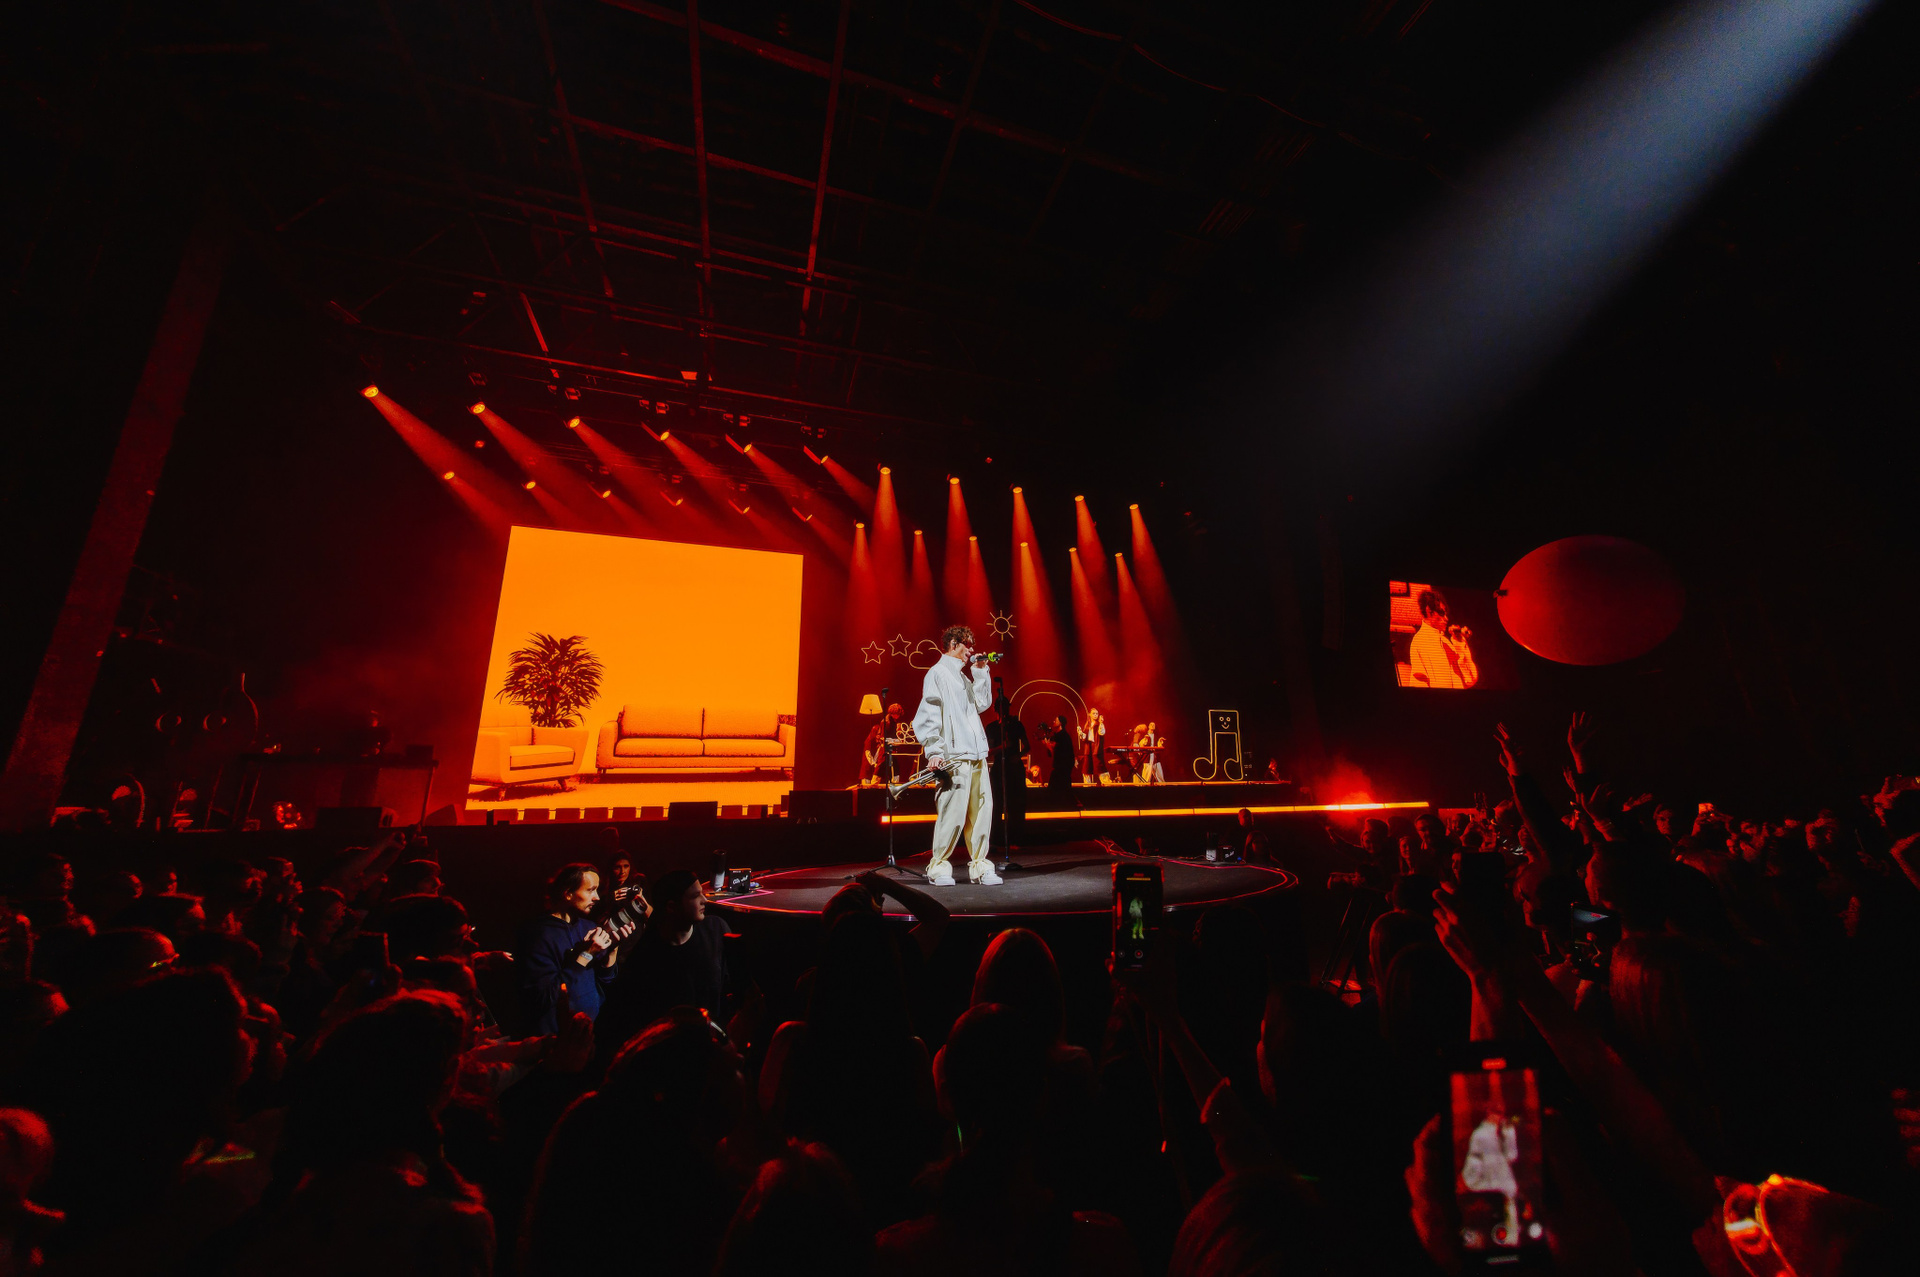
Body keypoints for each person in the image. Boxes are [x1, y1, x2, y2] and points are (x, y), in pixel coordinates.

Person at [594, 869, 733, 1060]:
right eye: (695, 896)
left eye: (702, 893)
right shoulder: (646, 956)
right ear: (671, 907)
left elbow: (733, 987)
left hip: (715, 1049)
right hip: (675, 1058)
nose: (705, 900)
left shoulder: (716, 930)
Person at [911, 624, 999, 886]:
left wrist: (980, 672)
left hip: (976, 753)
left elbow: (981, 704)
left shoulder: (963, 677)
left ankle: (980, 865)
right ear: (953, 644)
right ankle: (938, 866)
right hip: (954, 755)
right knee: (953, 812)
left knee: (982, 810)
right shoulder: (937, 673)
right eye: (967, 645)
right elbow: (929, 712)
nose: (971, 650)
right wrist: (934, 750)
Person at [515, 863, 635, 1037]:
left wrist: (612, 950)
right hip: (558, 1040)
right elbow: (542, 998)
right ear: (568, 894)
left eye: (597, 890)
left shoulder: (588, 927)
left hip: (591, 1034)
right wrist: (586, 954)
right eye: (590, 890)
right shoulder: (538, 936)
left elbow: (606, 982)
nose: (597, 897)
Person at [985, 679, 1029, 851]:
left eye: (1006, 708)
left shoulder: (1016, 725)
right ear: (996, 709)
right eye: (1002, 708)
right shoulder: (991, 728)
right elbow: (988, 751)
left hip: (1014, 768)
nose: (1005, 711)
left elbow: (1027, 746)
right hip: (999, 768)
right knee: (996, 804)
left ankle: (1016, 837)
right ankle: (995, 839)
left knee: (1015, 804)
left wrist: (1018, 755)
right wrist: (1002, 747)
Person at [1408, 588, 1479, 689]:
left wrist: (1459, 643)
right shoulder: (1419, 642)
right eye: (1441, 613)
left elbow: (1469, 680)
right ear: (1429, 611)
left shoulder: (1445, 642)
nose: (1446, 618)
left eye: (1446, 614)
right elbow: (1419, 685)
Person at [861, 702, 908, 785]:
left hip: (891, 748)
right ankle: (874, 784)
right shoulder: (886, 722)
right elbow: (884, 737)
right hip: (885, 748)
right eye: (897, 714)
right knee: (880, 767)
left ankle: (894, 783)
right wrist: (895, 741)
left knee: (894, 766)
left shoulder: (893, 721)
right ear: (893, 713)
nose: (898, 716)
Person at [1049, 716, 1077, 790]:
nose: (1054, 722)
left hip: (1062, 767)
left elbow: (1055, 749)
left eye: (1056, 720)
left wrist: (1047, 744)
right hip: (1062, 766)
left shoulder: (1062, 735)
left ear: (1060, 723)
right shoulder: (1060, 735)